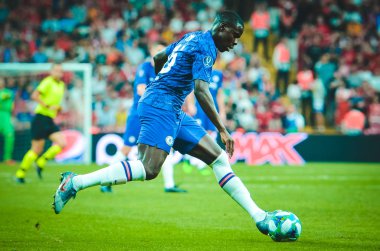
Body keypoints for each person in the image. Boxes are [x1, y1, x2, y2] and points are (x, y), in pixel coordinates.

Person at [53, 11, 275, 238]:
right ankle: (75, 182)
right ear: (222, 28)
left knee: (218, 159)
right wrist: (222, 129)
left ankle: (260, 218)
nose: (235, 42)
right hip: (160, 106)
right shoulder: (206, 48)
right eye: (234, 35)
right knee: (149, 169)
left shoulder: (192, 37)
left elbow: (159, 57)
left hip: (170, 106)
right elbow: (201, 90)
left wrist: (164, 85)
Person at [105, 42, 187, 193]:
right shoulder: (144, 68)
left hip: (158, 114)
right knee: (126, 148)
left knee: (165, 145)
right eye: (157, 49)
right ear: (150, 50)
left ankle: (169, 185)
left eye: (162, 50)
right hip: (139, 113)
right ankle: (106, 181)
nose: (160, 52)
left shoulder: (166, 70)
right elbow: (140, 89)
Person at [15, 64, 66, 183]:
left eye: (60, 71)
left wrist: (58, 108)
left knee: (62, 143)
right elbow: (34, 95)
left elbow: (54, 102)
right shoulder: (47, 82)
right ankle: (20, 174)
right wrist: (47, 106)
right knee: (36, 149)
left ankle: (41, 161)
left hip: (49, 119)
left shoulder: (62, 85)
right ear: (52, 71)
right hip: (40, 118)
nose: (58, 73)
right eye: (56, 71)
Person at [184, 69, 225, 175]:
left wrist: (222, 111)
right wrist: (190, 104)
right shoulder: (199, 69)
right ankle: (188, 159)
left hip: (213, 108)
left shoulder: (218, 74)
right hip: (200, 106)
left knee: (211, 134)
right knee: (198, 134)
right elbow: (191, 89)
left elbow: (219, 94)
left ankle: (201, 163)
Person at [0, 78, 15, 165]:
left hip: (6, 116)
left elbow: (10, 102)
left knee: (10, 135)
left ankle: (7, 158)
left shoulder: (8, 92)